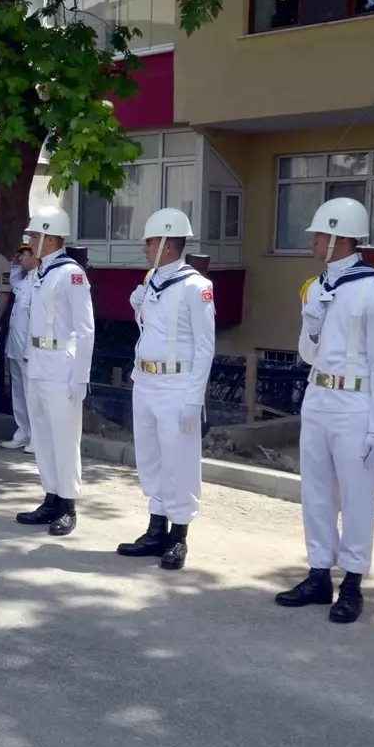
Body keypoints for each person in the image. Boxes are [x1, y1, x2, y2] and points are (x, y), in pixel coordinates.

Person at [275, 198, 374, 624]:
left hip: (355, 403)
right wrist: (311, 323)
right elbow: (308, 356)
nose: (312, 239)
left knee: (357, 498)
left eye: (319, 234)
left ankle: (353, 582)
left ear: (340, 237)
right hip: (319, 397)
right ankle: (319, 573)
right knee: (317, 492)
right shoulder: (319, 285)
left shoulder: (373, 289)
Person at [116, 208, 215, 571]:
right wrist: (140, 305)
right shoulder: (153, 279)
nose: (145, 247)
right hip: (146, 381)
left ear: (169, 245)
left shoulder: (196, 286)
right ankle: (156, 528)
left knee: (180, 462)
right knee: (151, 458)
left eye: (151, 241)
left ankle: (179, 536)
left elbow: (205, 346)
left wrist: (195, 398)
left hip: (177, 385)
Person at [15, 205, 95, 535]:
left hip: (61, 363)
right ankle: (50, 496)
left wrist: (81, 375)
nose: (31, 240)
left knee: (64, 439)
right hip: (38, 361)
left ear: (50, 237)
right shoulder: (41, 272)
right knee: (43, 436)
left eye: (35, 234)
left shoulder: (70, 274)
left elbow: (85, 329)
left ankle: (68, 504)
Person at [0, 239, 36, 451]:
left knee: (31, 393)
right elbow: (12, 284)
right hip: (15, 345)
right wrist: (14, 265)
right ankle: (22, 431)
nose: (21, 257)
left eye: (24, 254)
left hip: (28, 349)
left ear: (34, 256)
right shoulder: (24, 281)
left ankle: (35, 436)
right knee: (19, 393)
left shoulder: (40, 280)